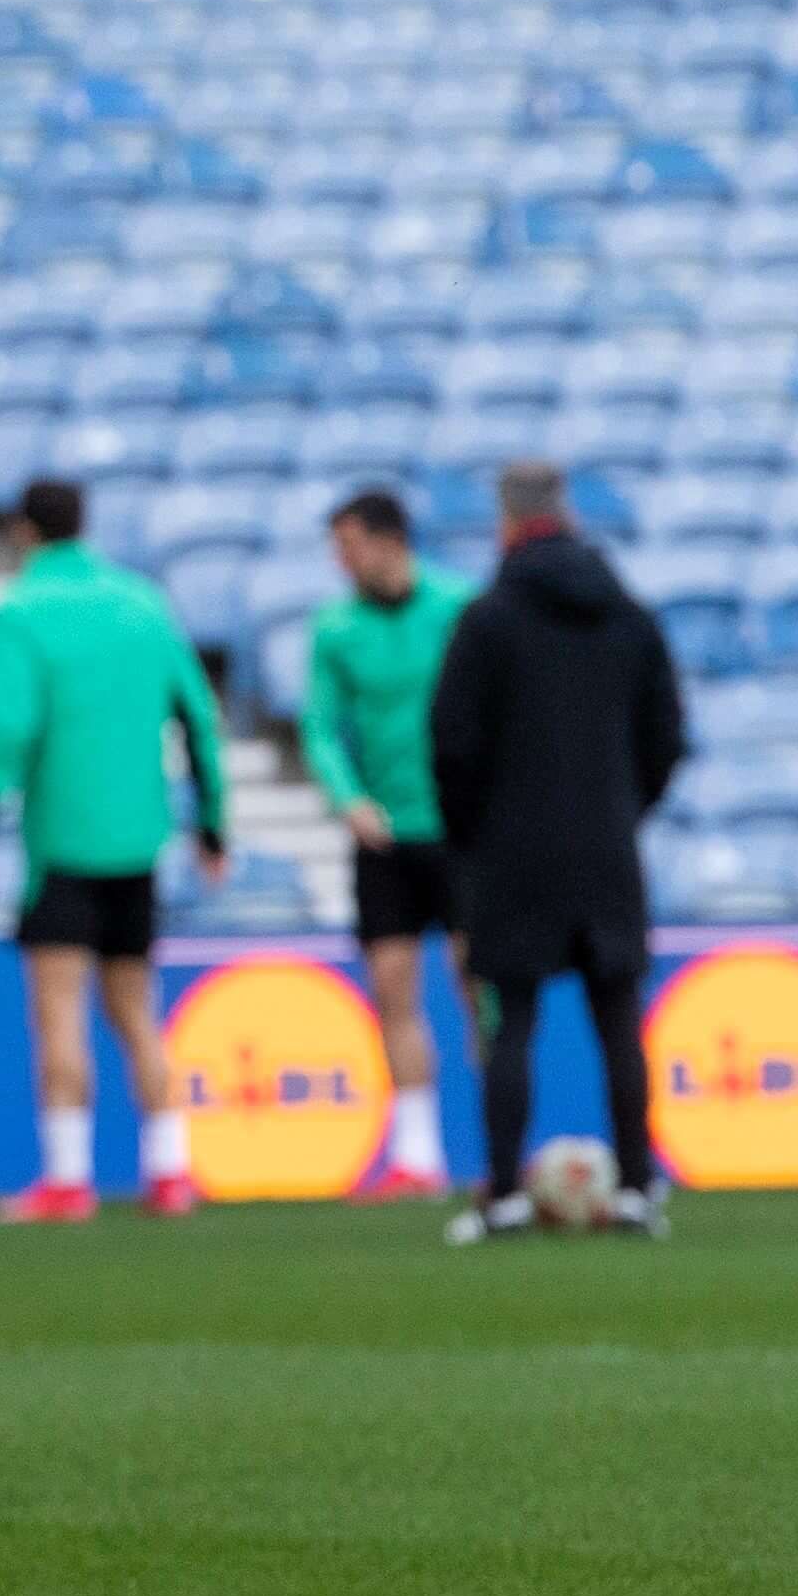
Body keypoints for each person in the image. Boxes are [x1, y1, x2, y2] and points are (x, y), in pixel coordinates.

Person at [0, 479, 230, 1223]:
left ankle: (68, 1177)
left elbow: (10, 731)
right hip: (138, 843)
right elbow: (198, 716)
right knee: (135, 1008)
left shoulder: (22, 611)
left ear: (23, 529)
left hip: (64, 843)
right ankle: (169, 1170)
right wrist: (212, 825)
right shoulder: (143, 602)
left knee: (59, 1011)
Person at [428, 462, 688, 1241]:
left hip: (511, 852)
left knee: (509, 1023)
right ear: (566, 513)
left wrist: (474, 834)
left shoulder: (486, 620)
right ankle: (636, 1188)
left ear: (506, 520)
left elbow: (450, 744)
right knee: (618, 1021)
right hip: (606, 844)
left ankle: (503, 1195)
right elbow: (666, 735)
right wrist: (621, 806)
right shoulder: (628, 616)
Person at [302, 489, 473, 1199]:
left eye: (349, 544)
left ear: (390, 540)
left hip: (460, 829)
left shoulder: (459, 607)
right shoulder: (336, 628)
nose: (340, 560)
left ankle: (502, 1142)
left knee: (481, 988)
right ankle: (416, 1153)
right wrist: (347, 797)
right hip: (385, 837)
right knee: (392, 990)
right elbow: (318, 726)